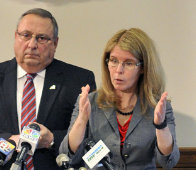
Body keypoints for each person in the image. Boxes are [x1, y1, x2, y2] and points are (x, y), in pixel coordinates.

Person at [0, 8, 96, 169]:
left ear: (55, 43)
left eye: (42, 38)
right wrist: (11, 140)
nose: (32, 44)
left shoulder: (79, 80)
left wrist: (52, 139)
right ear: (16, 36)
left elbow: (91, 136)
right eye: (26, 35)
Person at [59, 28, 180, 169]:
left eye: (128, 63)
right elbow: (67, 155)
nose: (118, 70)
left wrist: (160, 126)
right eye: (114, 61)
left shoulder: (157, 107)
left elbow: (169, 162)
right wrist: (81, 121)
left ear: (143, 68)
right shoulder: (90, 102)